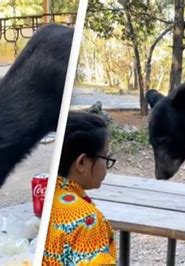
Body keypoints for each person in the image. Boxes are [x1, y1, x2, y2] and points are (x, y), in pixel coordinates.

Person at [43, 112, 117, 265]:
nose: (106, 166)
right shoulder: (87, 220)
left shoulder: (44, 197)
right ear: (81, 162)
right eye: (105, 157)